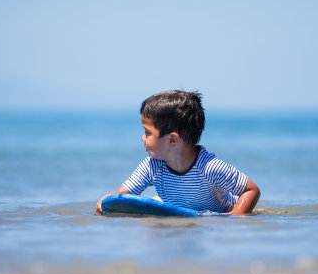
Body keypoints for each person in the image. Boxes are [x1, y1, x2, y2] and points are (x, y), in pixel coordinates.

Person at [96, 90, 260, 215]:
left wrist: (234, 218)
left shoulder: (209, 167)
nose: (142, 138)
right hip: (180, 211)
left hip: (219, 212)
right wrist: (107, 201)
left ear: (172, 140)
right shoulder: (152, 166)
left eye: (148, 133)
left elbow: (251, 190)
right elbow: (123, 194)